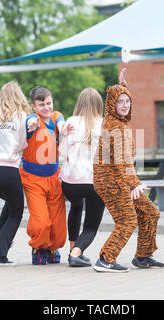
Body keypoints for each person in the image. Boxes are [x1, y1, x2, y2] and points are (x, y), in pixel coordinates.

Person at [92, 68, 163, 273]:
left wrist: (122, 87)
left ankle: (143, 256)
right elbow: (123, 161)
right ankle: (106, 259)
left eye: (127, 101)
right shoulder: (116, 127)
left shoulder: (116, 120)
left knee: (150, 213)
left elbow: (122, 163)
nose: (124, 105)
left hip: (120, 178)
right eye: (119, 102)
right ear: (111, 105)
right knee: (127, 220)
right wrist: (134, 184)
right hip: (112, 182)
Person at [0, 82, 30, 267]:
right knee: (17, 212)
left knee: (10, 205)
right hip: (7, 169)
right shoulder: (22, 116)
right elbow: (23, 143)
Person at [20, 86, 69, 265]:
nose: (46, 108)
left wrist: (66, 129)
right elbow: (29, 122)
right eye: (41, 105)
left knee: (57, 224)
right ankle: (39, 247)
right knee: (41, 222)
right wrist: (30, 124)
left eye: (49, 103)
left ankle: (52, 247)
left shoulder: (56, 116)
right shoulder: (32, 119)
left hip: (54, 177)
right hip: (33, 179)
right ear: (34, 106)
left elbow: (61, 125)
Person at [59, 88, 106, 267]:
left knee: (76, 206)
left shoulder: (71, 122)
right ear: (98, 104)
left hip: (70, 182)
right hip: (93, 182)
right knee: (91, 227)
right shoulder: (104, 124)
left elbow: (62, 153)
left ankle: (73, 250)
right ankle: (76, 254)